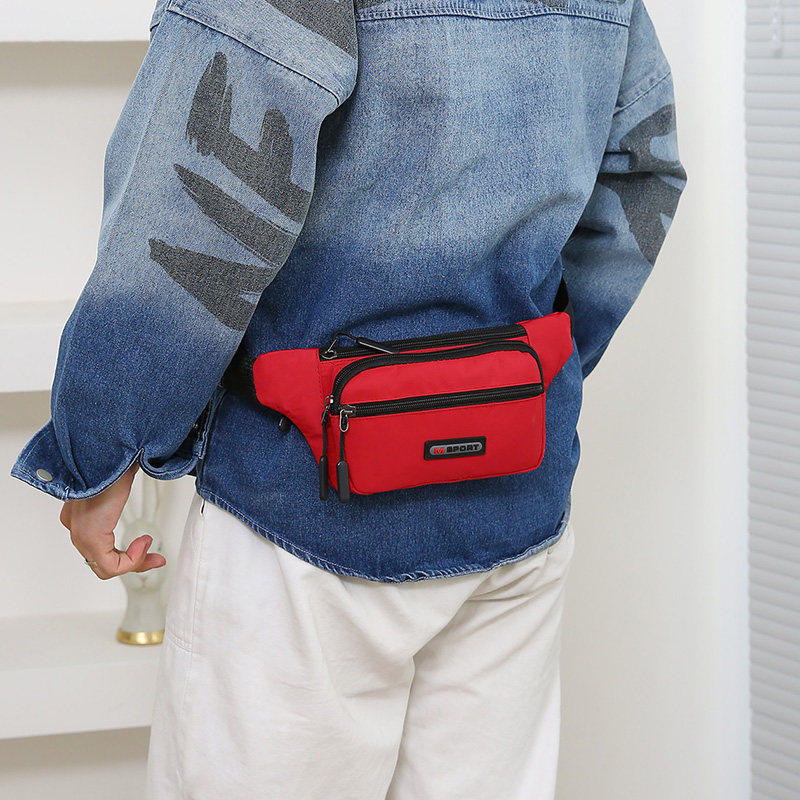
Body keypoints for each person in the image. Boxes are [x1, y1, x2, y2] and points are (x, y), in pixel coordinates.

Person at [12, 0, 685, 797]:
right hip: (515, 509)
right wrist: (512, 386)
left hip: (301, 510)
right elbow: (642, 172)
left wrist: (103, 447)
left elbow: (193, 202)